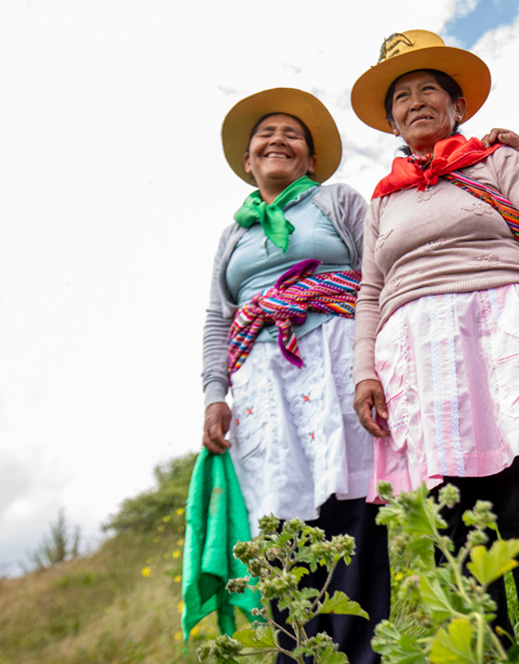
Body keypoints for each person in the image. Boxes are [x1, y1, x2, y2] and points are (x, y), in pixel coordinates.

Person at [349, 30, 519, 637]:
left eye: (429, 90)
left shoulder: (498, 162)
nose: (416, 103)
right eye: (402, 97)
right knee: (456, 533)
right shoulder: (383, 201)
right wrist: (364, 371)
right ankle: (487, 651)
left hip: (504, 345)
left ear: (458, 106)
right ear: (391, 123)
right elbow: (369, 291)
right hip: (419, 363)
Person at [201, 88, 387, 664]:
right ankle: (298, 653)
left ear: (309, 159)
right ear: (249, 161)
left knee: (348, 507)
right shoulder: (234, 233)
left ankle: (360, 654)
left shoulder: (338, 202)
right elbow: (218, 315)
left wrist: (374, 362)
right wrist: (214, 395)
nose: (278, 140)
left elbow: (374, 273)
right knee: (281, 517)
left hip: (335, 361)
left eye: (292, 135)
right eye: (266, 136)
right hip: (260, 380)